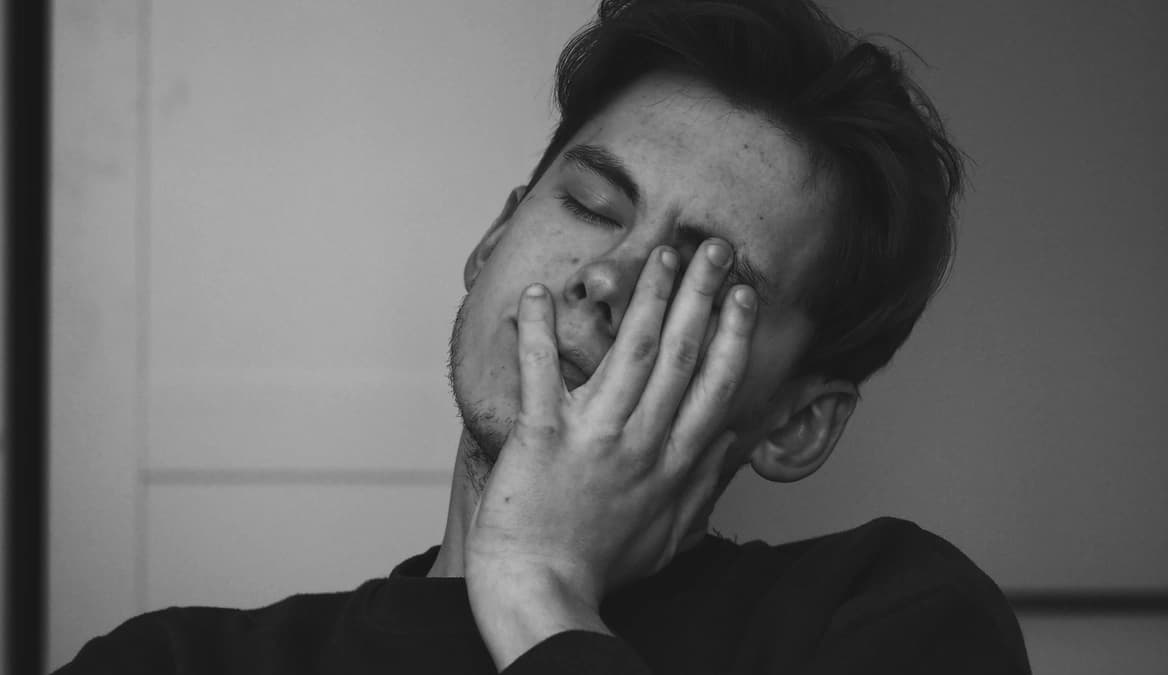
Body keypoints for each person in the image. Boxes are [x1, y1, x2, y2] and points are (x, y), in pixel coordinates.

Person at [57, 0, 1031, 673]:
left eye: (699, 276)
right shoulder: (176, 662)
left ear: (797, 425)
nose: (605, 278)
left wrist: (539, 591)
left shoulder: (891, 620)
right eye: (591, 204)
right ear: (493, 239)